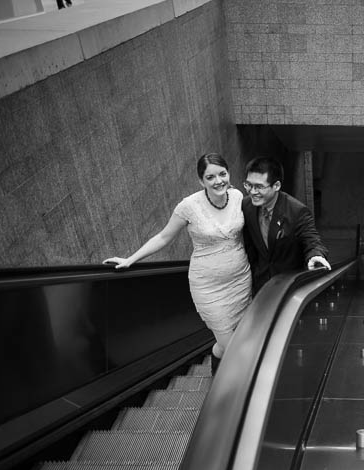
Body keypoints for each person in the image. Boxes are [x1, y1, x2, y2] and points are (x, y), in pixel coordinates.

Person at [103, 153, 252, 372]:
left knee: (228, 343)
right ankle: (236, 392)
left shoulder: (238, 196)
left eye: (222, 174)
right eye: (210, 177)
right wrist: (131, 259)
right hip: (209, 287)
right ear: (201, 181)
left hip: (240, 280)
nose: (218, 181)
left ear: (229, 174)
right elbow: (164, 237)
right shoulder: (189, 206)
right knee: (231, 346)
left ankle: (217, 371)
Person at [242, 156, 330, 295]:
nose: (253, 192)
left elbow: (312, 240)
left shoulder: (297, 211)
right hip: (260, 284)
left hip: (289, 287)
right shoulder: (246, 206)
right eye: (248, 185)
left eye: (259, 187)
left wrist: (315, 255)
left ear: (276, 186)